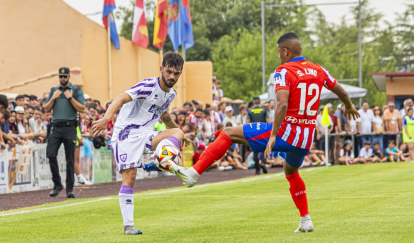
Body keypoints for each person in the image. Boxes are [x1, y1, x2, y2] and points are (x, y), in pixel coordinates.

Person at [168, 32, 359, 233]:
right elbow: (342, 92)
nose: (279, 56)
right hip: (305, 139)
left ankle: (193, 173)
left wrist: (274, 134)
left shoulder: (284, 71)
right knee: (291, 172)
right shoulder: (318, 70)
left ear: (286, 51)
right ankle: (305, 219)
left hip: (286, 132)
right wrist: (349, 106)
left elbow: (282, 104)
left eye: (279, 52)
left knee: (228, 132)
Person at [91, 52, 188, 235]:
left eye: (176, 74)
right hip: (126, 134)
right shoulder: (147, 86)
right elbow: (120, 98)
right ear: (161, 69)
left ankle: (160, 162)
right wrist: (106, 119)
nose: (172, 77)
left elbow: (164, 115)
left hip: (145, 134)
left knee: (178, 132)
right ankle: (128, 226)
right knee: (131, 177)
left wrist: (181, 135)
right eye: (169, 72)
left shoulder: (171, 93)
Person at [43, 67, 86, 198]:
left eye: (65, 76)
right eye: (60, 76)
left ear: (69, 77)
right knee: (50, 154)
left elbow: (82, 108)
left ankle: (70, 189)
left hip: (70, 127)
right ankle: (57, 184)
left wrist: (70, 98)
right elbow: (46, 108)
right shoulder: (53, 90)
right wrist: (53, 98)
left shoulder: (76, 90)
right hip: (56, 127)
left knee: (70, 160)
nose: (62, 79)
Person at [246, 96, 272, 175]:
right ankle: (263, 163)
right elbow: (268, 121)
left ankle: (257, 168)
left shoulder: (250, 111)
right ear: (259, 102)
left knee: (255, 151)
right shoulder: (264, 111)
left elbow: (247, 123)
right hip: (263, 132)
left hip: (254, 133)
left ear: (253, 102)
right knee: (264, 149)